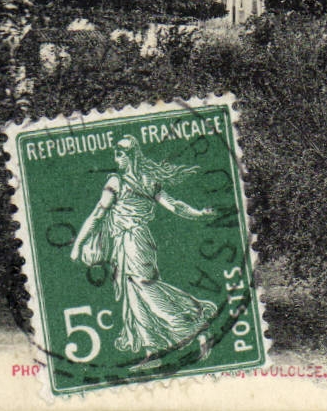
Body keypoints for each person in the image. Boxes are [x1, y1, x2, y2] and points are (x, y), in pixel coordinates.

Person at [71, 136, 217, 364]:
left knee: (144, 288)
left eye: (119, 154)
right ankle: (152, 352)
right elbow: (175, 206)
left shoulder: (116, 181)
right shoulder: (148, 180)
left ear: (128, 156)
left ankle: (193, 328)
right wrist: (198, 213)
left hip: (133, 241)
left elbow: (98, 213)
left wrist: (79, 243)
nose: (116, 158)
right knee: (133, 296)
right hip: (133, 241)